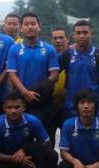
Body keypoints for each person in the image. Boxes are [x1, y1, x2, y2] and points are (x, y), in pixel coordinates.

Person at [6, 13, 59, 141]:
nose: (30, 27)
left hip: (43, 100)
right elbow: (12, 74)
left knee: (45, 139)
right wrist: (25, 92)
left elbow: (54, 75)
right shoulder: (14, 49)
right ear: (21, 28)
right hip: (21, 100)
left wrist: (37, 89)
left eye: (33, 24)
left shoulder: (49, 49)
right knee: (23, 139)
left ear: (39, 27)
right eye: (26, 24)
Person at [60, 20, 99, 117]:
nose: (81, 36)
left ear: (91, 34)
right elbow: (52, 72)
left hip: (94, 109)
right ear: (74, 35)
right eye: (78, 33)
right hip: (71, 109)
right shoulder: (66, 54)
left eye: (85, 32)